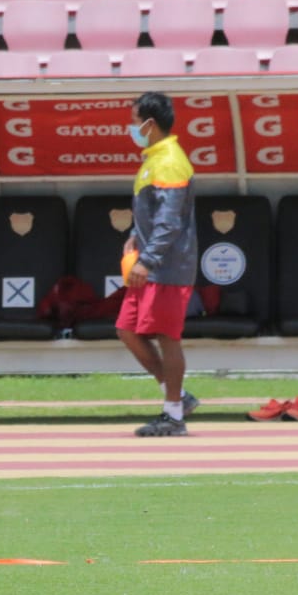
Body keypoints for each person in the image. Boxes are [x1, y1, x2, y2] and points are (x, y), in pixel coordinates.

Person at [115, 91, 200, 437]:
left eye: (135, 121)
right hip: (151, 264)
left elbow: (170, 222)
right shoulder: (154, 158)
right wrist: (136, 234)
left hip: (166, 266)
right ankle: (178, 395)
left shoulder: (169, 161)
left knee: (168, 337)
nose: (131, 127)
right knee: (127, 329)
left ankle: (174, 416)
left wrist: (146, 261)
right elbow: (153, 214)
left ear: (150, 124)